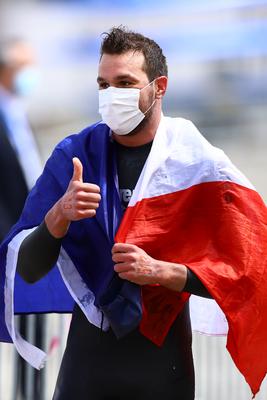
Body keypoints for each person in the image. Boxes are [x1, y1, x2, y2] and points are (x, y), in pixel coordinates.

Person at [0, 27, 267, 400]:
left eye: (124, 83)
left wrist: (162, 272)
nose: (112, 96)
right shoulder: (75, 156)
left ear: (160, 87)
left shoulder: (197, 164)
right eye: (103, 84)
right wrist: (58, 216)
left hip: (163, 363)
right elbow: (26, 269)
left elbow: (249, 272)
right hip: (86, 365)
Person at [0, 38, 43, 399]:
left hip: (32, 240)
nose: (31, 74)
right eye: (25, 66)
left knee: (33, 336)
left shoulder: (18, 110)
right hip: (8, 241)